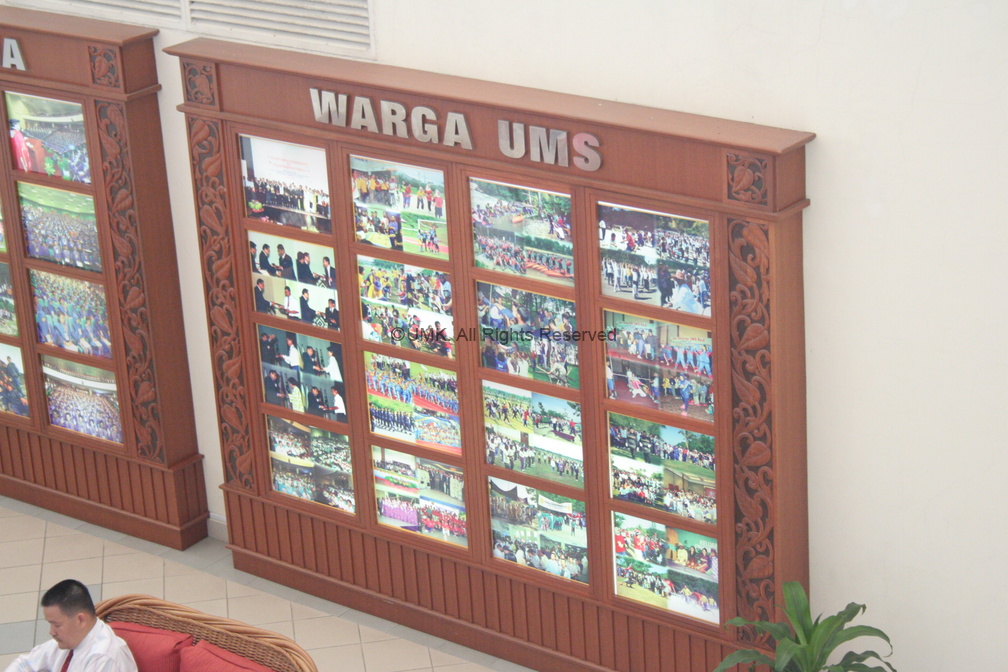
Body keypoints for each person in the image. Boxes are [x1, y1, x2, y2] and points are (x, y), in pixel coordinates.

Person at [4, 579, 137, 672]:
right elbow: (24, 663)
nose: (51, 632)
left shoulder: (103, 658)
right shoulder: (70, 641)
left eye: (57, 625)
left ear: (80, 620)